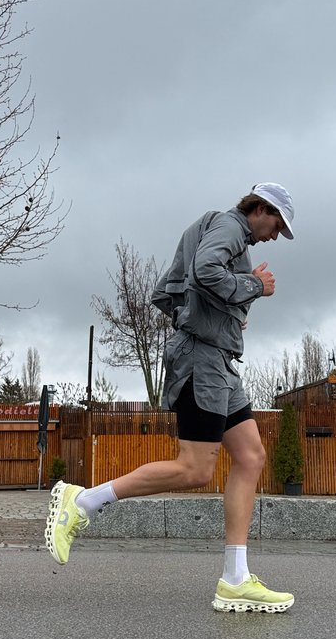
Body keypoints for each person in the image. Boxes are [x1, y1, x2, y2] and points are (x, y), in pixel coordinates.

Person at [45, 182, 295, 613]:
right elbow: (205, 272)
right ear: (260, 208)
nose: (275, 235)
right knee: (195, 469)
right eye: (277, 224)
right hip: (202, 362)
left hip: (217, 360)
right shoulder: (230, 227)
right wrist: (253, 288)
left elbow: (166, 293)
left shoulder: (208, 226)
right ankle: (83, 502)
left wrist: (221, 317)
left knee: (251, 456)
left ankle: (235, 579)